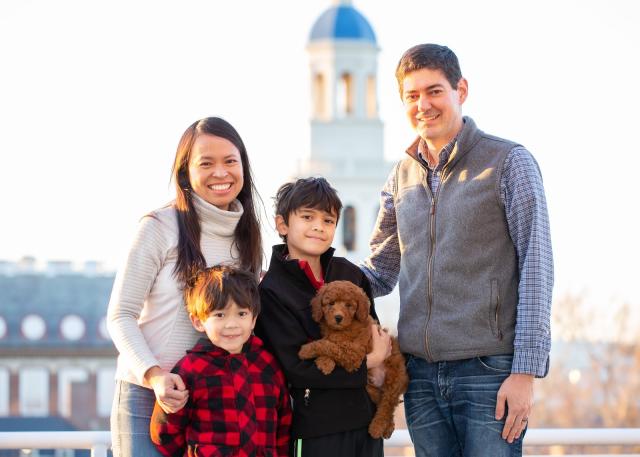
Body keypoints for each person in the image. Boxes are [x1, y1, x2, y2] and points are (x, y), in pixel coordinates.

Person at [360, 43, 554, 457]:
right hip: (420, 376)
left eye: (434, 91)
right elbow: (378, 271)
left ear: (460, 90)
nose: (423, 105)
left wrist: (526, 371)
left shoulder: (508, 162)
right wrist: (303, 274)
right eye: (411, 96)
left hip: (489, 372)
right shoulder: (401, 175)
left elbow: (537, 265)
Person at [107, 117, 263, 457]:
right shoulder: (158, 226)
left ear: (243, 167)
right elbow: (120, 315)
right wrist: (155, 376)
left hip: (214, 401)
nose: (220, 173)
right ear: (185, 173)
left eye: (230, 161)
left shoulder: (247, 236)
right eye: (206, 163)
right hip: (146, 396)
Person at [255, 177, 391, 457]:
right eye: (307, 217)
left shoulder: (350, 274)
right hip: (316, 429)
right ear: (282, 224)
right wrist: (370, 362)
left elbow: (372, 333)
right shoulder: (271, 291)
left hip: (365, 424)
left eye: (328, 220)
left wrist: (379, 364)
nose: (319, 226)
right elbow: (297, 369)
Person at [149, 265, 292, 457]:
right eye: (220, 315)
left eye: (241, 314)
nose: (231, 324)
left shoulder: (268, 365)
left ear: (253, 319)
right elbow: (165, 432)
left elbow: (283, 425)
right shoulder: (191, 369)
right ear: (198, 321)